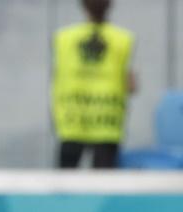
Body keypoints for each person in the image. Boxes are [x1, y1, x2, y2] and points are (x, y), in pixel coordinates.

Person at [51, 0, 136, 170]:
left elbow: (55, 76)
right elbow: (131, 85)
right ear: (110, 6)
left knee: (64, 189)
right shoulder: (123, 39)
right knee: (104, 190)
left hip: (71, 121)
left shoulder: (63, 38)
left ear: (83, 6)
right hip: (107, 123)